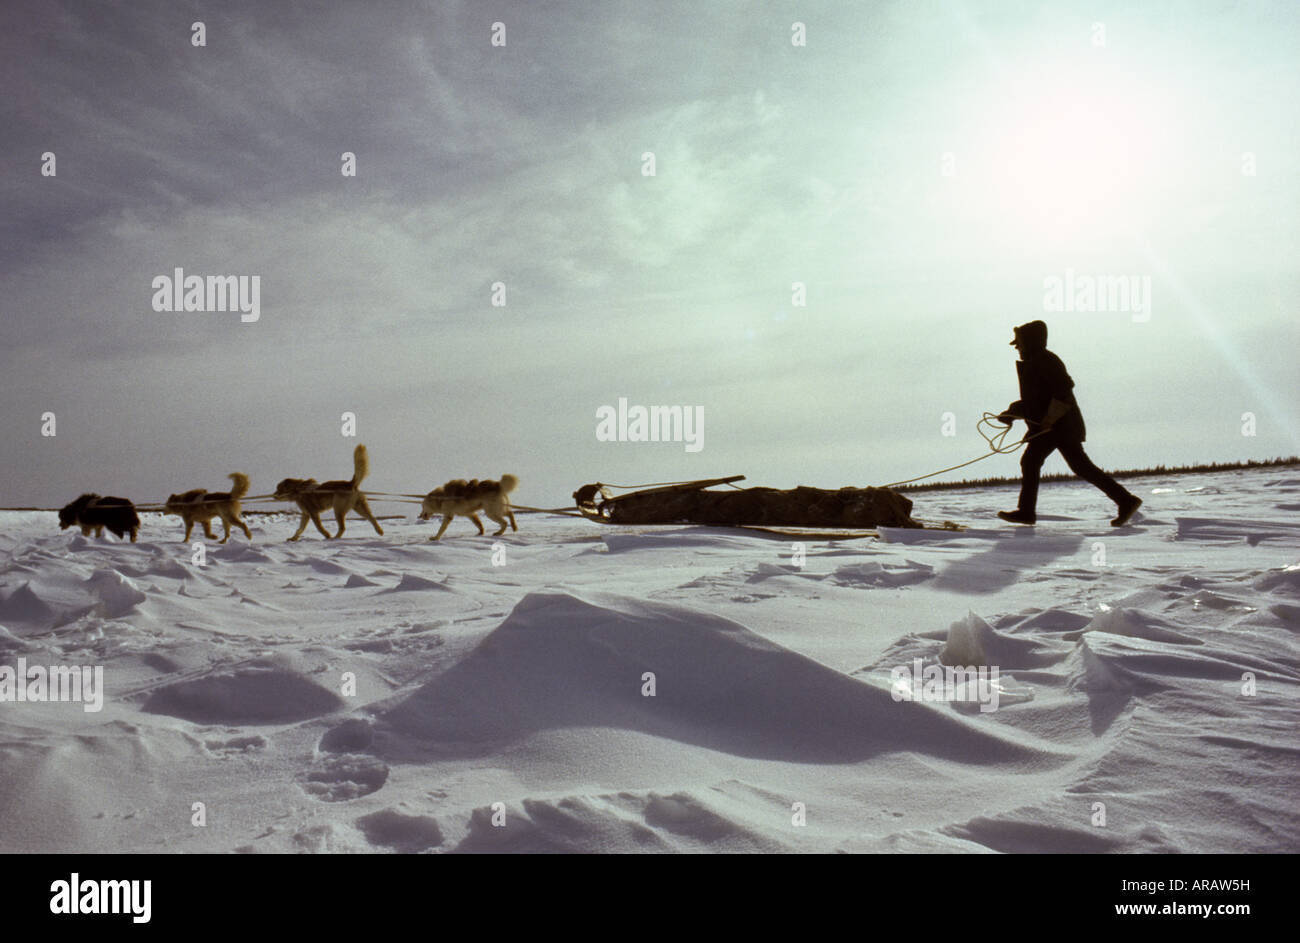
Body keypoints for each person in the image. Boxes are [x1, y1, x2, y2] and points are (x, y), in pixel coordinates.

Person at [996, 320, 1142, 526]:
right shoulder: (1035, 361)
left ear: (1029, 341)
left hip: (1059, 427)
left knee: (1054, 464)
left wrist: (1049, 419)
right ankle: (1125, 500)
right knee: (1056, 464)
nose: (1016, 347)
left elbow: (1062, 392)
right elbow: (1034, 402)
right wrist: (1011, 414)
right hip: (1049, 428)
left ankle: (1027, 512)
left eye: (1018, 342)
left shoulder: (1046, 360)